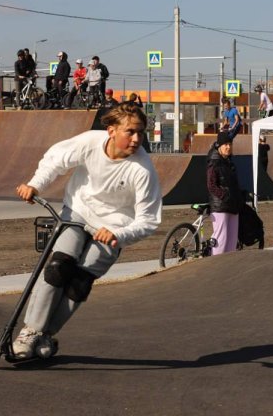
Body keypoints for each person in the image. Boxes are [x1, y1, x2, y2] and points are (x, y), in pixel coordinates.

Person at [13, 103, 162, 360]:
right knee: (59, 267)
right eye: (130, 132)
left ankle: (47, 333)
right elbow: (55, 160)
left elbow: (148, 220)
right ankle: (30, 332)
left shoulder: (143, 169)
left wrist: (120, 235)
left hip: (115, 227)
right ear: (111, 131)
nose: (137, 139)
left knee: (80, 282)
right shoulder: (90, 142)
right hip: (79, 212)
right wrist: (35, 185)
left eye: (141, 133)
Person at [206, 131, 242, 255]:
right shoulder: (214, 162)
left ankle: (227, 271)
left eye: (230, 144)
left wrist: (239, 195)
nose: (228, 147)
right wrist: (224, 196)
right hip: (220, 207)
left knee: (231, 244)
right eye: (225, 144)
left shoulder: (229, 163)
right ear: (219, 146)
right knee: (221, 242)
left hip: (233, 206)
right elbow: (211, 185)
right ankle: (214, 268)